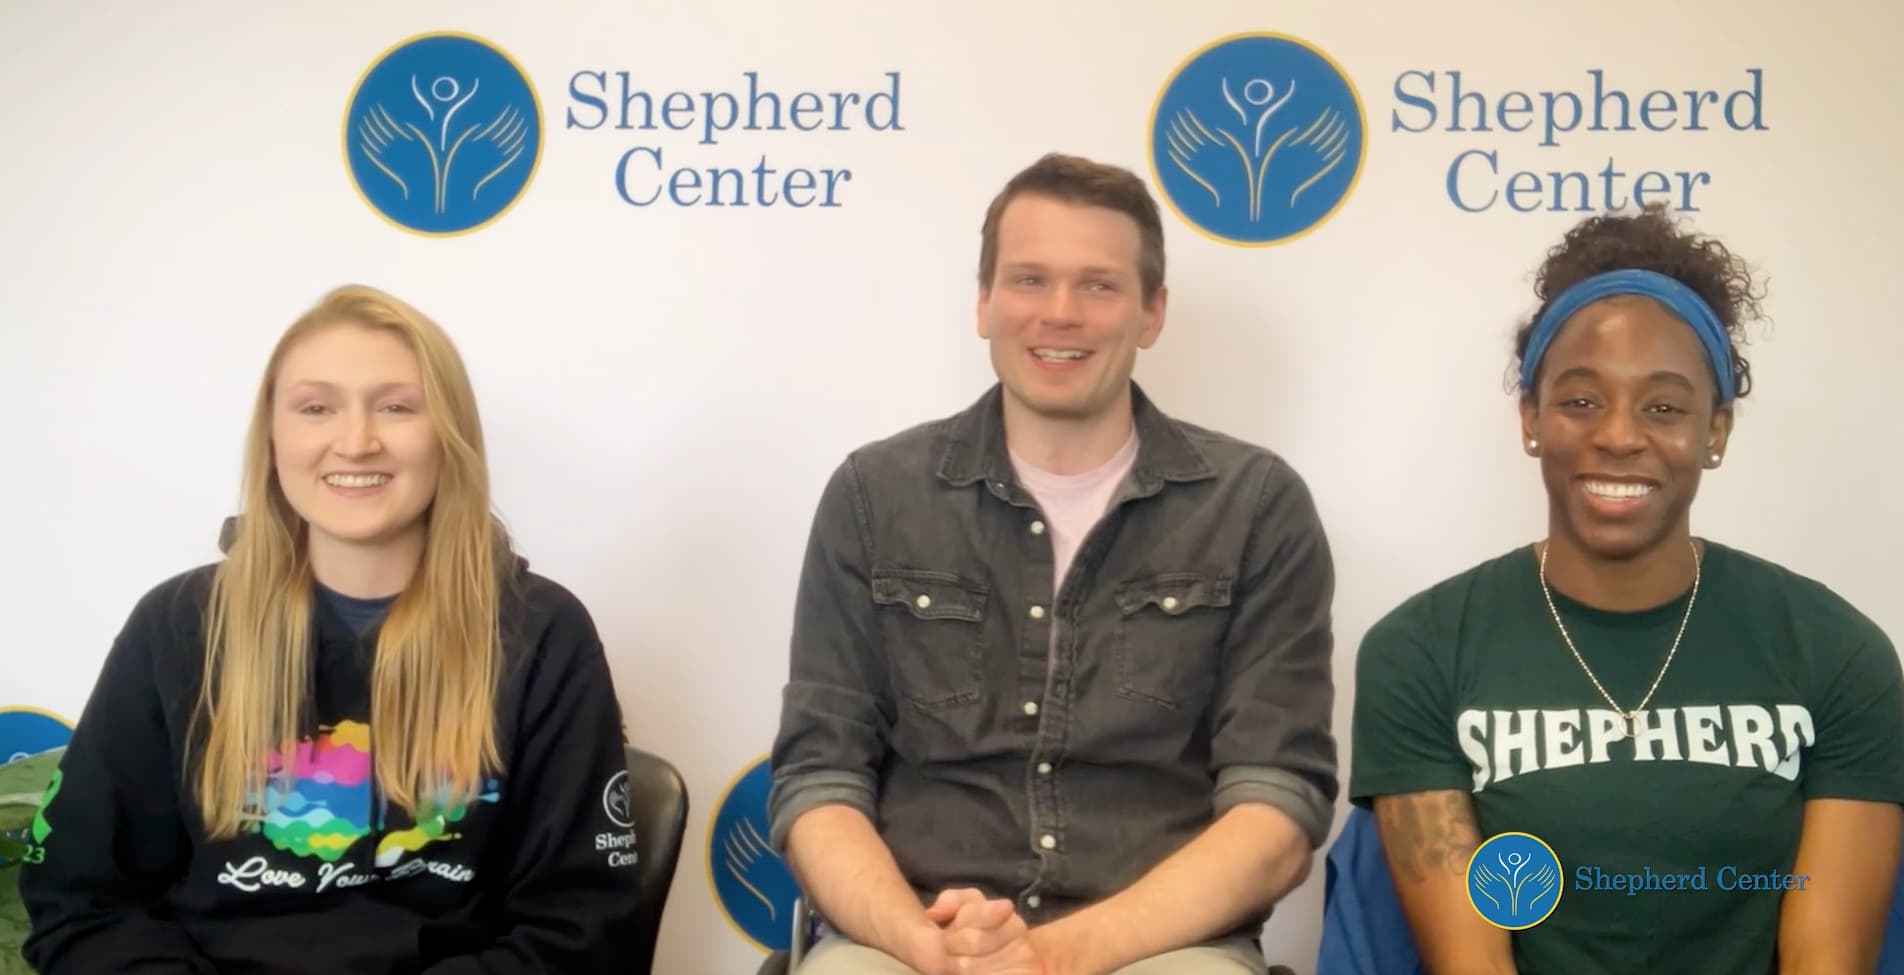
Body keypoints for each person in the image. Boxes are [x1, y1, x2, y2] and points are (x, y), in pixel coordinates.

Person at [767, 152, 1339, 975]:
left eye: (1099, 285)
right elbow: (819, 779)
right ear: (984, 302)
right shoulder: (874, 495)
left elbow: (1276, 812)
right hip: (910, 940)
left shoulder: (1254, 506)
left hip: (1158, 949)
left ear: (1152, 312)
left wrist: (1050, 957)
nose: (1060, 313)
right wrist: (926, 943)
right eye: (1029, 280)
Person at [18, 285, 644, 973]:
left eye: (397, 406)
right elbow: (80, 902)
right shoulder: (176, 627)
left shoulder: (542, 635)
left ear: (450, 436)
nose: (356, 441)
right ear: (274, 438)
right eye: (317, 407)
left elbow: (577, 931)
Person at [1348, 205, 1904, 973]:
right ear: (1530, 417)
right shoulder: (1420, 652)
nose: (1618, 434)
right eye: (1580, 400)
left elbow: (1828, 963)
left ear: (1716, 431)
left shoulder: (1835, 652)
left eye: (1665, 407)